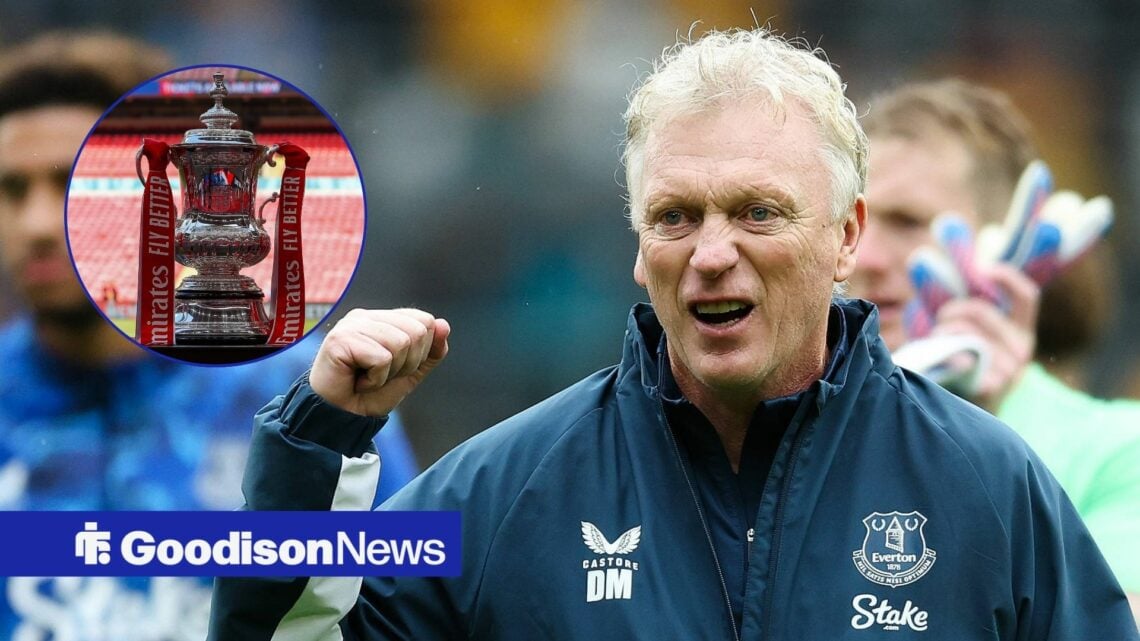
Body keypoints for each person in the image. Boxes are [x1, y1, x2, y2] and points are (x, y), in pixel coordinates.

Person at [209, 28, 1138, 640]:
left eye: (758, 212)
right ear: (637, 245)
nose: (712, 254)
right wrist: (320, 438)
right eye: (675, 216)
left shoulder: (990, 485)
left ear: (846, 237)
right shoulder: (503, 491)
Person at [0, 32, 419, 640]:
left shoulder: (303, 394)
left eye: (69, 183)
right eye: (11, 190)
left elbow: (396, 605)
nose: (38, 223)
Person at [848, 78, 1140, 617]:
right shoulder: (791, 430)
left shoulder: (1118, 452)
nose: (864, 256)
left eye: (908, 222)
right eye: (853, 221)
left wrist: (966, 440)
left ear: (1008, 244)